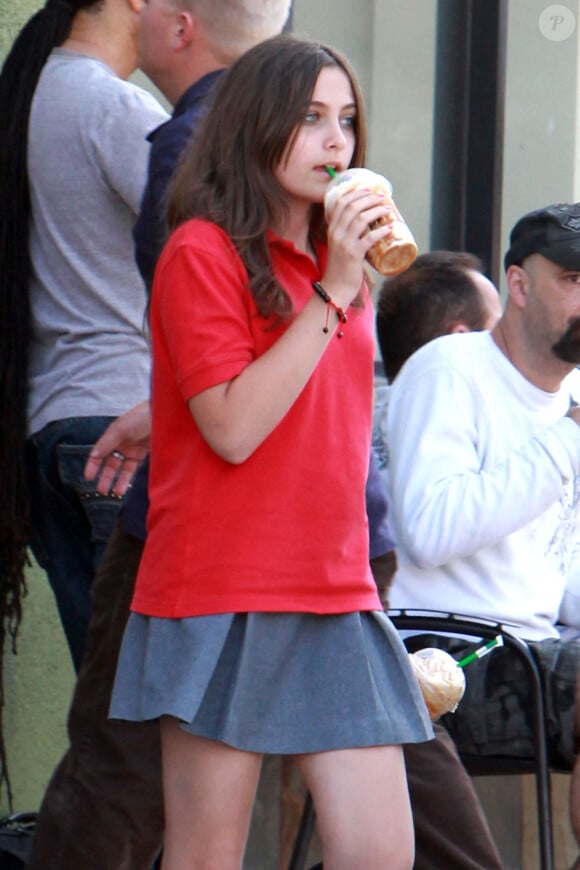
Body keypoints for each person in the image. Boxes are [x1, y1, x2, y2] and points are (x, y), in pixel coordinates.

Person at [108, 33, 432, 869]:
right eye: (311, 118)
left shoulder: (343, 270)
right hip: (222, 581)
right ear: (256, 126)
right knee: (208, 856)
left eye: (348, 120)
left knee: (378, 852)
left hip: (332, 582)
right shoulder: (202, 251)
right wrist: (333, 288)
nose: (337, 142)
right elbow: (233, 426)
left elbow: (321, 413)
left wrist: (339, 280)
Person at [386, 203, 580, 836]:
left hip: (535, 648)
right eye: (575, 280)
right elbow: (429, 531)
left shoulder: (569, 406)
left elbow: (555, 575)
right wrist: (569, 439)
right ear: (518, 285)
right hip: (447, 657)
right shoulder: (449, 369)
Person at [0, 0, 168, 678]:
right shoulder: (114, 109)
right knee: (145, 726)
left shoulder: (25, 99)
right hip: (123, 429)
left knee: (109, 718)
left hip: (49, 437)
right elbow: (214, 261)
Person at [372, 250, 502, 486]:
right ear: (459, 340)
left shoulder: (357, 444)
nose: (505, 343)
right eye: (497, 328)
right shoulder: (489, 447)